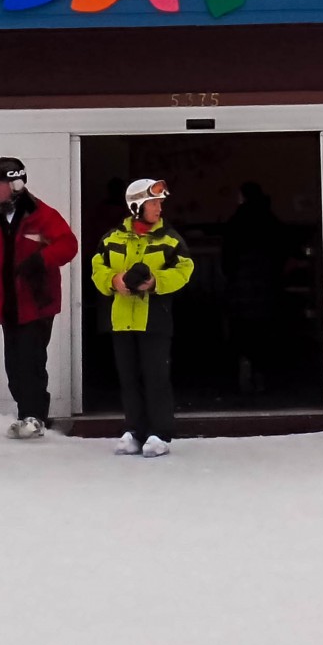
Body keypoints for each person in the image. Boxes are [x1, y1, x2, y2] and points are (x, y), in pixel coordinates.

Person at [0, 155, 79, 439]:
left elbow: (68, 245)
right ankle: (25, 414)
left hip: (38, 303)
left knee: (31, 363)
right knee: (14, 367)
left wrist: (41, 259)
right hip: (9, 305)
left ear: (16, 184)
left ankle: (35, 417)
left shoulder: (43, 214)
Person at [90, 177, 194, 458]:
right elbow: (97, 268)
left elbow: (185, 270)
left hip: (155, 320)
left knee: (156, 377)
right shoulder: (112, 238)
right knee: (128, 378)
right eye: (154, 203)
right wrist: (114, 280)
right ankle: (135, 431)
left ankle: (159, 434)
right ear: (136, 206)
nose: (159, 208)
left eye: (160, 203)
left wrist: (155, 282)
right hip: (121, 319)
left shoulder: (170, 239)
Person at [221, 181, 288, 396]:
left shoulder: (236, 221)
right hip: (267, 283)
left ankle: (245, 365)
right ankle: (262, 373)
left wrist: (231, 275)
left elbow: (227, 257)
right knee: (265, 329)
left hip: (241, 283)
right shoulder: (270, 219)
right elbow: (282, 250)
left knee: (241, 328)